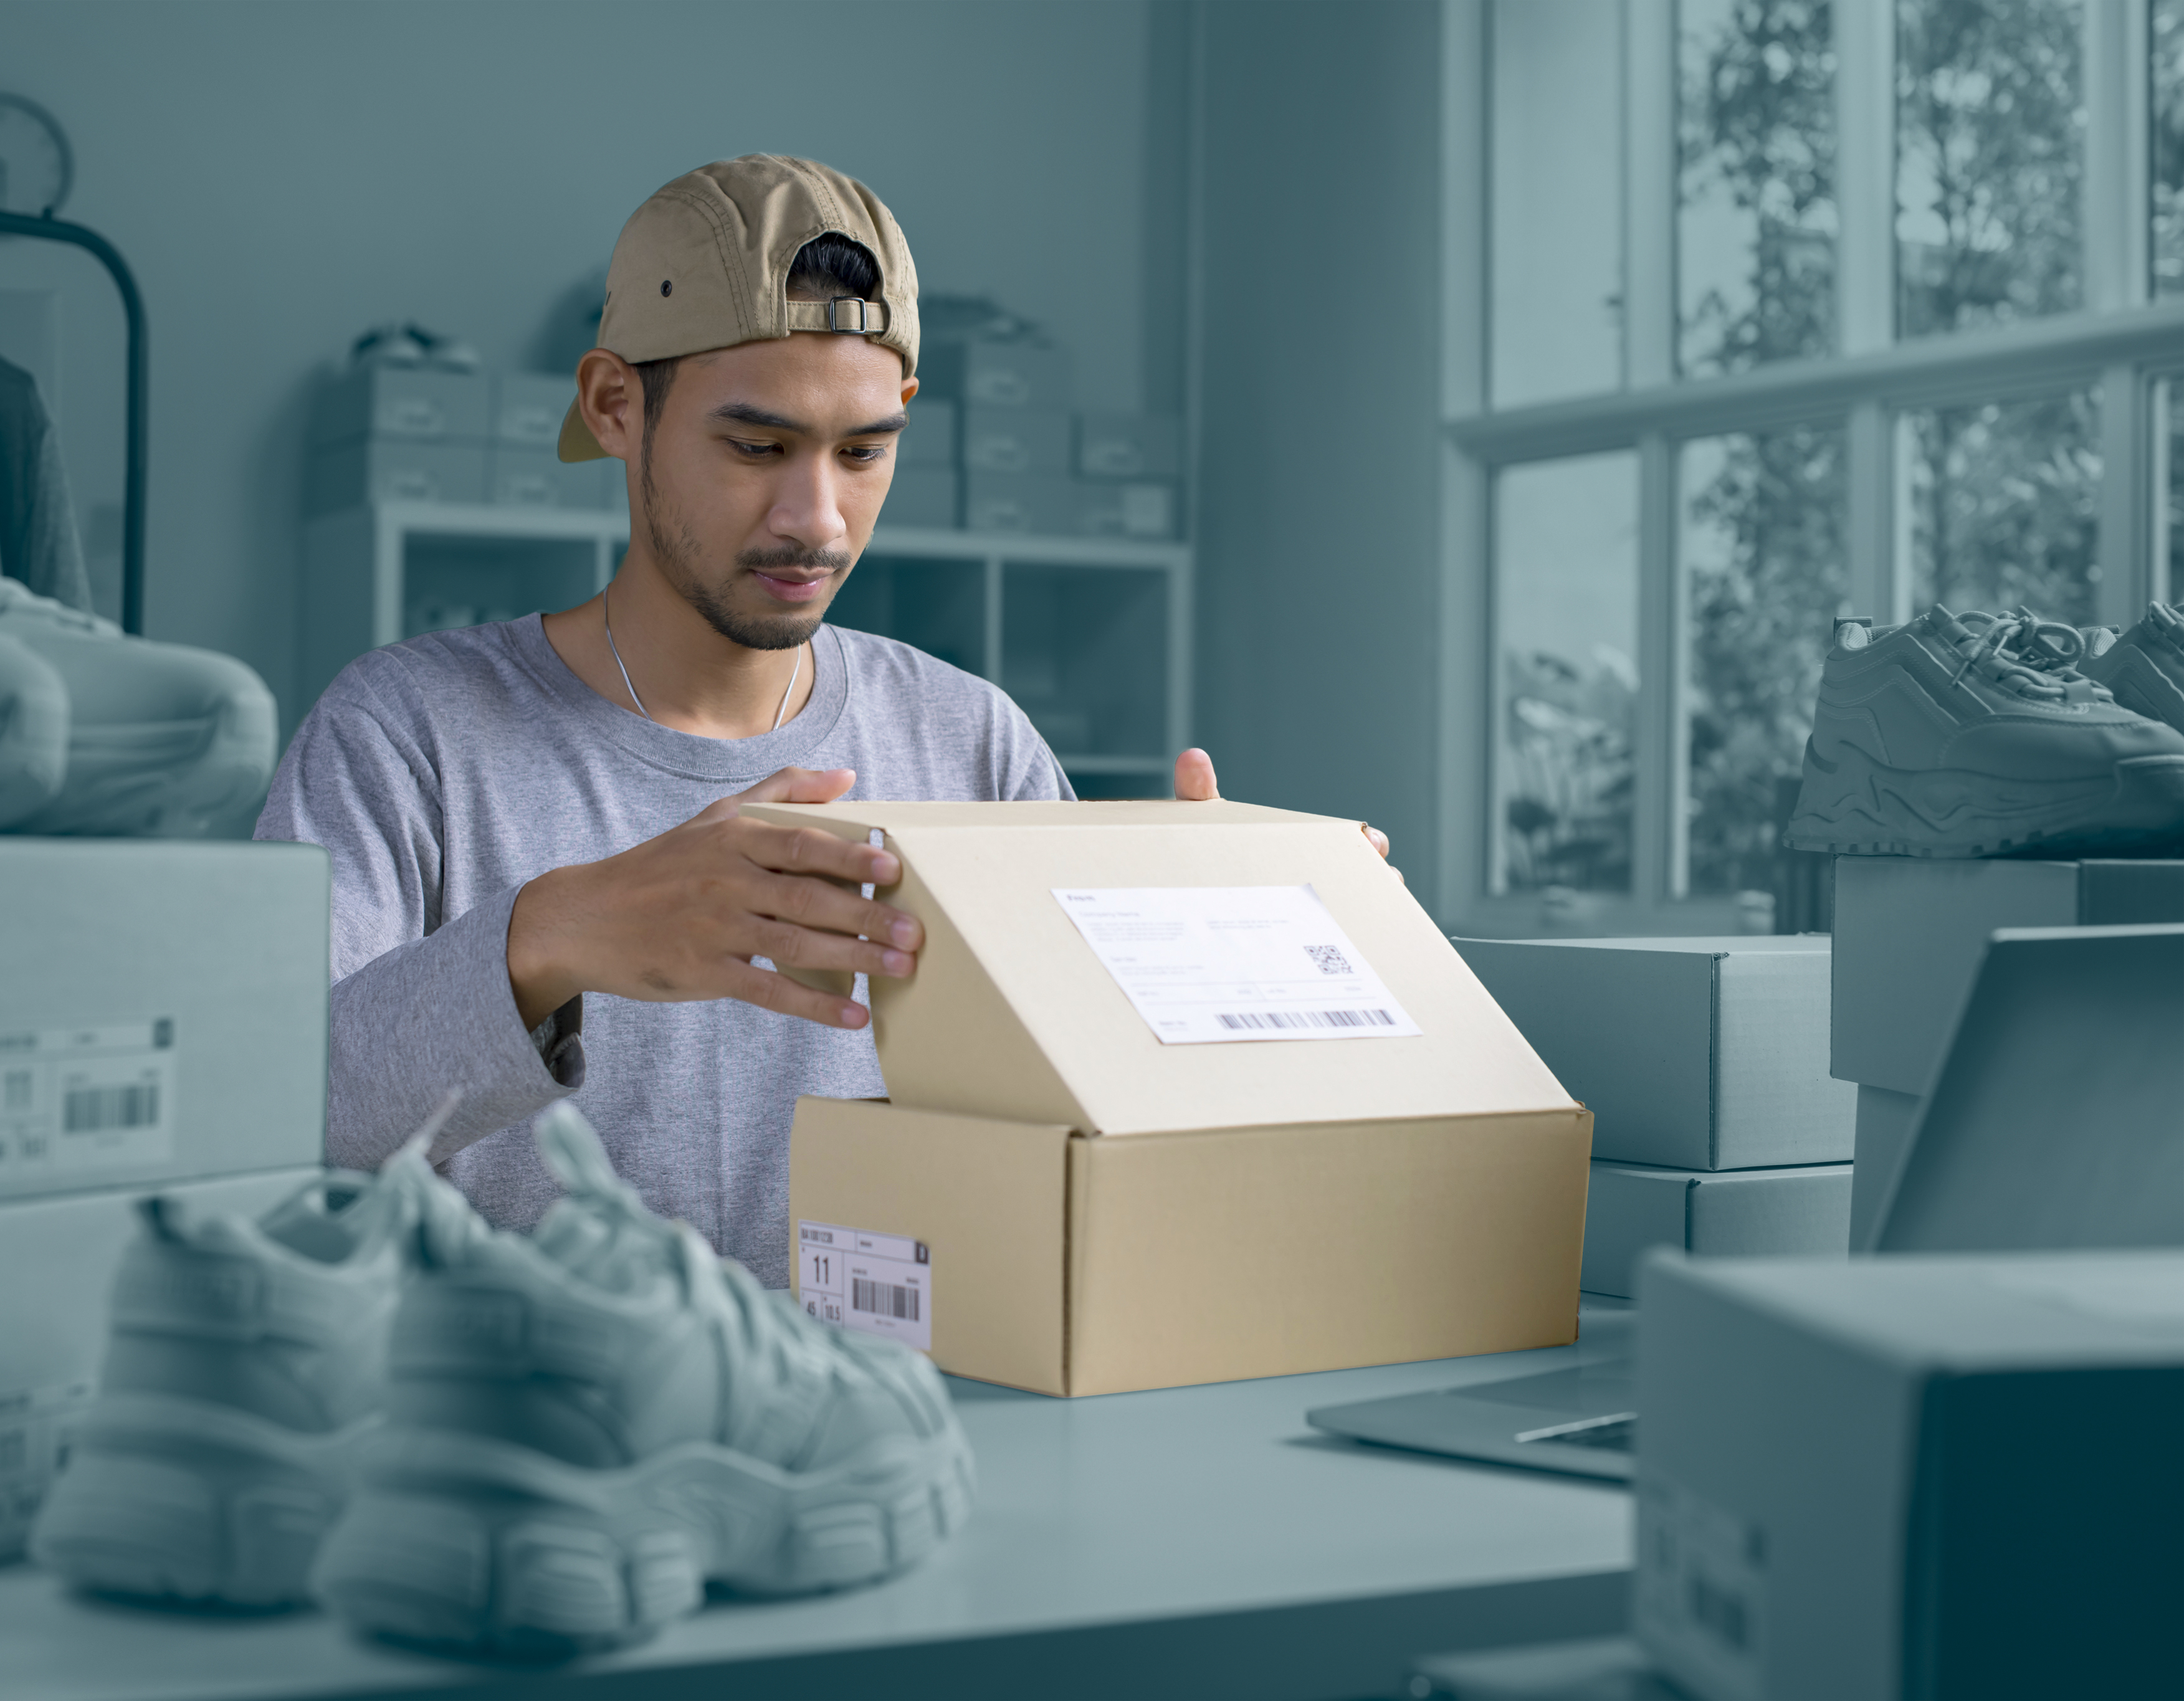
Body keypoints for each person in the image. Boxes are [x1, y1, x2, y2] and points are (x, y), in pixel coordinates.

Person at [258, 155, 1388, 1287]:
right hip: (528, 1433)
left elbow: (1095, 1146)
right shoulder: (404, 734)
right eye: (756, 447)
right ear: (614, 405)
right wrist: (555, 934)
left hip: (886, 1427)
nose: (818, 520)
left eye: (863, 453)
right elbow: (262, 1117)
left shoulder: (973, 743)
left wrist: (1244, 964)